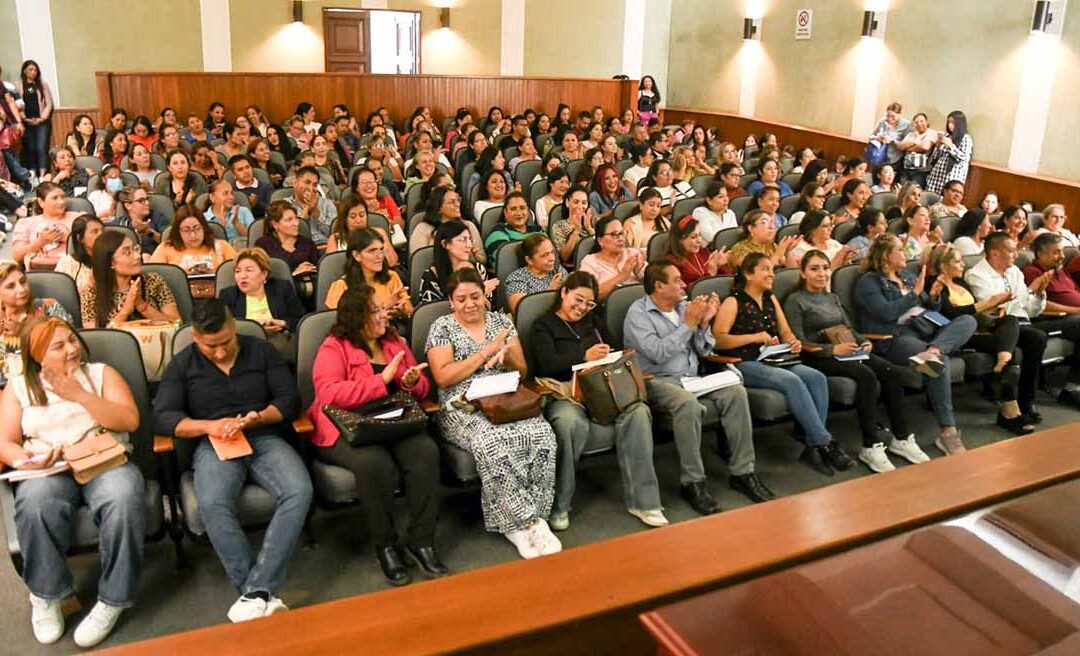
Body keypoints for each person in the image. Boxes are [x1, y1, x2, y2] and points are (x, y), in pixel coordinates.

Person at [154, 299, 312, 622]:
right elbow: (164, 417)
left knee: (299, 489)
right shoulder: (183, 364)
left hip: (262, 434)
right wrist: (209, 426)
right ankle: (257, 592)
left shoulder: (261, 351)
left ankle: (255, 592)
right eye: (212, 346)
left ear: (233, 327)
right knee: (212, 502)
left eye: (227, 341)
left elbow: (289, 400)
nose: (222, 352)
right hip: (215, 444)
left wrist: (259, 417)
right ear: (196, 338)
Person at [1, 317, 144, 647]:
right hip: (49, 466)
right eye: (59, 345)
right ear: (38, 356)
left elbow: (130, 420)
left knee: (123, 496)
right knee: (35, 503)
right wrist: (27, 459)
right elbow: (4, 441)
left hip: (101, 459)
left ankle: (113, 599)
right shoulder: (19, 385)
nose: (72, 348)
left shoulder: (100, 373)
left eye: (73, 340)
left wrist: (79, 394)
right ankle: (47, 594)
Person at [308, 285, 444, 584]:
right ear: (357, 317)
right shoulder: (334, 346)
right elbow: (329, 394)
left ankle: (421, 539)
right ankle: (387, 544)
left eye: (383, 309)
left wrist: (410, 382)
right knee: (374, 464)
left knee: (425, 452)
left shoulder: (394, 341)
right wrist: (380, 380)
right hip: (348, 427)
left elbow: (421, 388)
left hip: (393, 421)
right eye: (376, 311)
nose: (384, 315)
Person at [425, 268, 559, 559]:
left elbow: (522, 371)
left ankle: (536, 518)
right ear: (450, 301)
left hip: (504, 400)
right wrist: (485, 354)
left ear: (484, 294)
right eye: (461, 299)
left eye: (475, 296)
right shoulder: (442, 327)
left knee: (542, 433)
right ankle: (521, 522)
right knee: (492, 442)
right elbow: (443, 377)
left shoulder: (501, 321)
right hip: (460, 407)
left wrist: (508, 354)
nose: (469, 304)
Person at [623, 262, 775, 511]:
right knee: (687, 404)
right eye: (676, 280)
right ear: (659, 286)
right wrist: (690, 324)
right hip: (657, 380)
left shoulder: (685, 307)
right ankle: (693, 482)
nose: (683, 284)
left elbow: (705, 350)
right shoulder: (638, 313)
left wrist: (704, 326)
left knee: (736, 392)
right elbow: (658, 353)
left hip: (694, 377)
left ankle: (743, 472)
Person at [529, 272, 666, 528]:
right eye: (578, 299)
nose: (582, 308)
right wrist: (584, 355)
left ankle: (645, 502)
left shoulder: (594, 322)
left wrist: (610, 356)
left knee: (638, 412)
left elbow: (614, 351)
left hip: (604, 391)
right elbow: (546, 363)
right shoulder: (543, 325)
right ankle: (560, 505)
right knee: (568, 422)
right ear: (563, 293)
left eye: (588, 303)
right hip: (566, 394)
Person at [785, 250, 929, 472]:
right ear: (803, 273)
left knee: (889, 371)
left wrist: (864, 342)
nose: (821, 274)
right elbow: (799, 341)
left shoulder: (832, 297)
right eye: (814, 269)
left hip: (849, 350)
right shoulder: (796, 300)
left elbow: (849, 327)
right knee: (867, 376)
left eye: (825, 268)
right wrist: (833, 349)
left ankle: (901, 437)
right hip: (817, 357)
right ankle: (870, 444)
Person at [712, 253, 855, 475]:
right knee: (792, 380)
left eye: (771, 269)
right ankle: (824, 442)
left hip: (775, 357)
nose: (771, 274)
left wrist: (793, 342)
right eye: (765, 269)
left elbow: (785, 331)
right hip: (743, 361)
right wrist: (753, 337)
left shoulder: (770, 298)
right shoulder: (733, 301)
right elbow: (719, 339)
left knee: (816, 377)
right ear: (749, 274)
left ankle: (813, 443)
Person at [855, 235, 977, 454]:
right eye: (900, 249)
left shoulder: (907, 275)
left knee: (968, 321)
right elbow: (886, 313)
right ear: (885, 255)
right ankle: (948, 432)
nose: (905, 253)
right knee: (937, 365)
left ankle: (935, 349)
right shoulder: (869, 282)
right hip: (896, 337)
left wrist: (932, 296)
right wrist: (914, 294)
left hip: (926, 328)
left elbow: (930, 308)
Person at [925, 243, 1037, 434]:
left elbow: (977, 309)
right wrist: (986, 304)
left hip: (981, 326)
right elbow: (949, 315)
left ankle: (1004, 358)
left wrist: (994, 307)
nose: (963, 265)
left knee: (1010, 320)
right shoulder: (935, 284)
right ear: (944, 266)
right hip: (960, 334)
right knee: (1011, 349)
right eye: (959, 262)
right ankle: (1010, 410)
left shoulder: (960, 283)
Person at [218, 247, 305, 359]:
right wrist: (255, 329)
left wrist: (283, 323)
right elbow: (222, 328)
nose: (242, 276)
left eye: (249, 270)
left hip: (279, 345)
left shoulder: (281, 288)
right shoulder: (228, 295)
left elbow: (301, 320)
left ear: (264, 274)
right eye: (238, 271)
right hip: (242, 348)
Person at [82, 231, 180, 328]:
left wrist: (142, 306)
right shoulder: (92, 292)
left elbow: (176, 324)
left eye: (135, 249)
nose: (137, 256)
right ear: (111, 262)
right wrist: (125, 310)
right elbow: (96, 338)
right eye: (127, 252)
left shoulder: (153, 280)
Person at [0, 263, 73, 387]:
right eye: (11, 286)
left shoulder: (49, 306)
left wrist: (24, 332)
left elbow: (67, 348)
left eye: (23, 282)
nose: (22, 289)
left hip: (49, 383)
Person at [324, 229, 412, 326]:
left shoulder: (391, 276)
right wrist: (384, 307)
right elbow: (341, 324)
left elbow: (410, 309)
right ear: (356, 255)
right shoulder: (341, 286)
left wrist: (402, 311)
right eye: (372, 251)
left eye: (381, 249)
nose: (380, 256)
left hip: (391, 331)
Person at [418, 220, 496, 305]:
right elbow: (430, 312)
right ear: (445, 244)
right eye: (463, 240)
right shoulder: (431, 276)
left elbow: (489, 307)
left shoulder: (479, 269)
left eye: (470, 239)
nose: (469, 245)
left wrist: (482, 297)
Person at [151, 204, 237, 275]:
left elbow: (238, 271)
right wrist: (182, 275)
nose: (193, 235)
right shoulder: (165, 248)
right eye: (186, 230)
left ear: (204, 227)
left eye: (197, 228)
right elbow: (153, 277)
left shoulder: (222, 246)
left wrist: (215, 273)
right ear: (178, 231)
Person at [11, 181, 79, 270]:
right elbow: (17, 256)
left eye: (63, 197)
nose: (61, 202)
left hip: (75, 270)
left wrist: (69, 238)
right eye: (55, 198)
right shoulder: (26, 223)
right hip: (40, 273)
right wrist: (40, 242)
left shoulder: (79, 217)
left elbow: (96, 245)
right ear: (41, 202)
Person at [410, 187, 485, 262]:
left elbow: (482, 258)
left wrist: (472, 255)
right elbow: (418, 261)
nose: (457, 204)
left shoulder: (468, 225)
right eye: (452, 202)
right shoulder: (423, 228)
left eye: (458, 200)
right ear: (439, 207)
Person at [579, 216, 646, 301]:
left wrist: (639, 274)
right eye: (614, 235)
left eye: (622, 234)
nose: (621, 239)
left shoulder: (633, 254)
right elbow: (590, 295)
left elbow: (654, 287)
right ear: (600, 240)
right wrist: (622, 276)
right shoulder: (590, 262)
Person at [504, 234, 568, 314]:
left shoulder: (557, 270)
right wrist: (548, 294)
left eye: (552, 252)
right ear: (529, 260)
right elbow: (521, 312)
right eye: (544, 255)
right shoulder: (517, 278)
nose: (552, 258)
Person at [326, 196, 398, 266]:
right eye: (353, 217)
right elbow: (331, 269)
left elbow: (392, 262)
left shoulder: (379, 233)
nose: (358, 220)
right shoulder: (335, 239)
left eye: (362, 215)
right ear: (345, 219)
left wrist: (382, 240)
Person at [665, 214, 731, 286]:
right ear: (680, 240)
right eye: (693, 237)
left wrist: (720, 266)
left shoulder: (704, 252)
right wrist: (710, 273)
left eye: (700, 235)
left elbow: (725, 283)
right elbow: (684, 291)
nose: (699, 240)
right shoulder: (671, 262)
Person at [17, 60, 54, 178]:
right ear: (24, 71)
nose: (33, 72)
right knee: (30, 148)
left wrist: (42, 118)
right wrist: (24, 118)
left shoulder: (43, 85)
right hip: (26, 122)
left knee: (41, 147)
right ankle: (32, 173)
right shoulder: (18, 85)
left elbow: (49, 103)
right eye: (30, 70)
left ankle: (42, 174)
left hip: (41, 122)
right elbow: (16, 104)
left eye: (35, 70)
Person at [484, 191, 542, 262]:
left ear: (528, 211)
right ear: (505, 212)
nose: (518, 213)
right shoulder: (498, 232)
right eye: (513, 209)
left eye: (522, 208)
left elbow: (549, 254)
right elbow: (506, 259)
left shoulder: (538, 230)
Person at [729, 209, 799, 269]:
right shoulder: (740, 249)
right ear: (751, 228)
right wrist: (777, 255)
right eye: (764, 222)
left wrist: (788, 252)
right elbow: (760, 273)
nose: (771, 227)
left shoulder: (772, 246)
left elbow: (792, 272)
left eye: (772, 222)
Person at [285, 166, 335, 245]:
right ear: (295, 183)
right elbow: (284, 235)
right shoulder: (284, 205)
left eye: (314, 185)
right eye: (307, 182)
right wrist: (303, 219)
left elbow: (333, 234)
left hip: (324, 246)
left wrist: (315, 212)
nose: (310, 188)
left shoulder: (327, 204)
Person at [926, 111, 973, 195]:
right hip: (937, 176)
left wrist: (950, 145)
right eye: (949, 122)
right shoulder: (947, 136)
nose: (950, 125)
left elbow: (964, 158)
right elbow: (935, 158)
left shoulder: (965, 138)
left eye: (953, 122)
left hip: (951, 178)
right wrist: (937, 146)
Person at [53, 214, 101, 291]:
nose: (101, 234)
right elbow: (59, 292)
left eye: (102, 230)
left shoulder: (113, 259)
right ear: (80, 238)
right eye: (95, 232)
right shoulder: (67, 262)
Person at [113, 186, 166, 255]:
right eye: (141, 201)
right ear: (128, 205)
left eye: (147, 199)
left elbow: (169, 242)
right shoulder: (119, 225)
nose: (147, 203)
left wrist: (149, 232)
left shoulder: (157, 217)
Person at [897, 112, 937, 186]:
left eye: (921, 121)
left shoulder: (932, 133)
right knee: (902, 190)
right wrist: (915, 142)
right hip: (907, 168)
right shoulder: (911, 134)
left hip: (921, 171)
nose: (919, 124)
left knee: (914, 191)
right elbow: (901, 146)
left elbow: (925, 146)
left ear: (926, 122)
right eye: (916, 122)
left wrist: (908, 147)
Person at [868, 102, 911, 168]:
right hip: (878, 157)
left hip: (894, 159)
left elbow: (905, 145)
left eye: (893, 116)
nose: (889, 118)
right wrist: (877, 138)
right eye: (888, 115)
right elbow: (870, 137)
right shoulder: (882, 121)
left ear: (899, 115)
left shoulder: (906, 125)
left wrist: (892, 140)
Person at [228, 155, 272, 219]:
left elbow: (273, 211)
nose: (246, 171)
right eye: (240, 169)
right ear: (234, 175)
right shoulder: (231, 191)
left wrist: (257, 204)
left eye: (247, 167)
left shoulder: (266, 187)